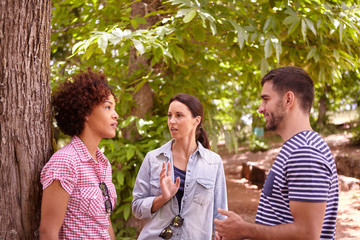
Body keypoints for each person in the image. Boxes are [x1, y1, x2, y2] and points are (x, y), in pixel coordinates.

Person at [214, 66, 339, 240]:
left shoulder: (305, 153)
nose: (260, 108)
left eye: (266, 99)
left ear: (288, 100)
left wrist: (244, 230)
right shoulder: (296, 147)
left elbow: (307, 233)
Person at [132, 93, 228, 239]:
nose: (172, 121)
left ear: (196, 121)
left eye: (179, 115)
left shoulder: (213, 162)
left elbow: (220, 216)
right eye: (169, 115)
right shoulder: (153, 159)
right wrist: (162, 198)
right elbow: (137, 207)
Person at [39, 69, 119, 240]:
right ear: (85, 113)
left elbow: (105, 224)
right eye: (107, 107)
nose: (115, 114)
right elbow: (48, 233)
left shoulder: (104, 164)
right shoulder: (65, 161)